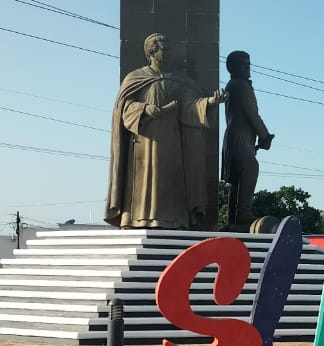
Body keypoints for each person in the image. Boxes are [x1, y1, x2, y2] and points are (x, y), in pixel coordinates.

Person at [106, 33, 224, 230]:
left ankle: (173, 220)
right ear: (152, 52)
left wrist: (210, 102)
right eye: (164, 50)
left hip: (171, 142)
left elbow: (190, 106)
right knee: (144, 179)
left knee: (170, 180)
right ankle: (137, 219)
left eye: (170, 50)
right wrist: (144, 109)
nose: (169, 54)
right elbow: (123, 109)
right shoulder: (135, 78)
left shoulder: (178, 81)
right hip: (144, 141)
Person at [222, 50, 273, 230]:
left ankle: (235, 216)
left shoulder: (233, 84)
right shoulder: (241, 86)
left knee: (240, 176)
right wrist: (264, 135)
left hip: (238, 136)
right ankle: (242, 215)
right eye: (242, 64)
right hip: (240, 136)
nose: (247, 68)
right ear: (233, 67)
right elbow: (252, 113)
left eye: (248, 64)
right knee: (250, 169)